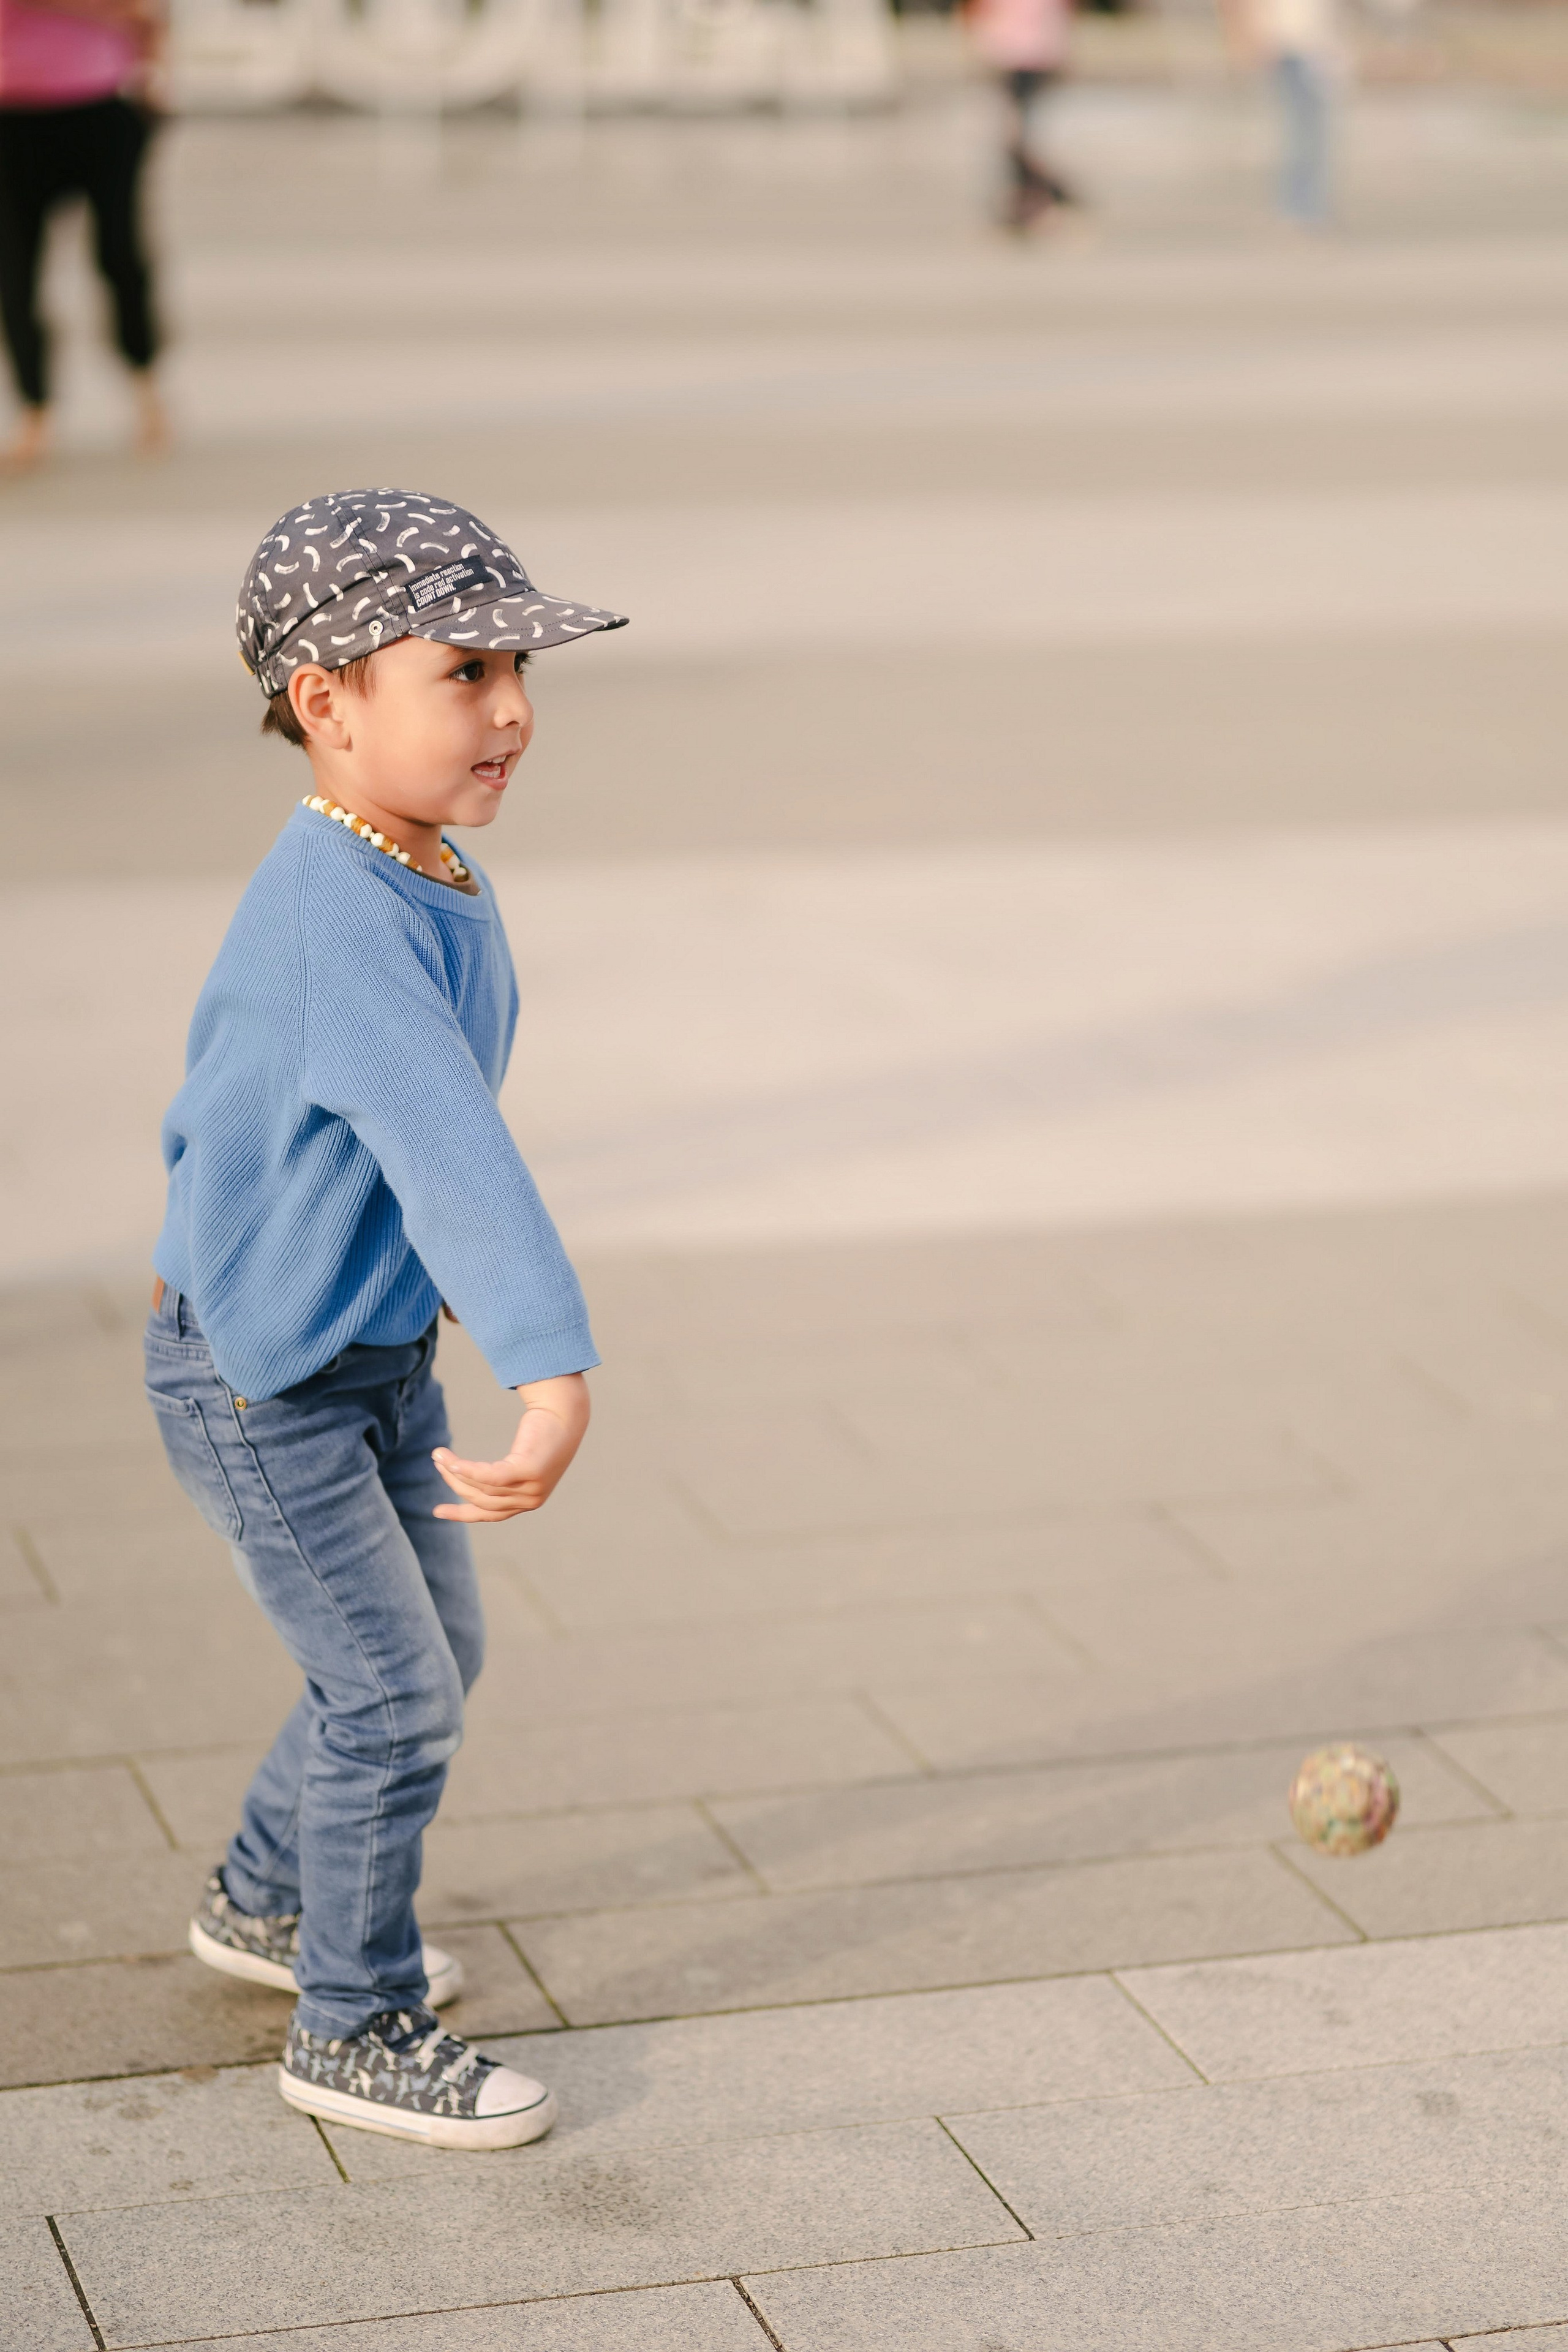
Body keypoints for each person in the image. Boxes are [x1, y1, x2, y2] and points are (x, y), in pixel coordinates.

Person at [147, 488, 627, 2150]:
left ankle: (269, 1898)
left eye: (517, 669)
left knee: (431, 1656)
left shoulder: (407, 859)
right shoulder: (342, 913)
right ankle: (351, 2025)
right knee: (394, 1694)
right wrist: (550, 1366)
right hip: (263, 1382)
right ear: (327, 703)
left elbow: (232, 1113)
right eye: (466, 670)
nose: (512, 709)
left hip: (357, 1354)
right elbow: (448, 1150)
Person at [0, 0, 167, 470]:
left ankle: (147, 389)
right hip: (15, 116)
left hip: (100, 106)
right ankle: (35, 411)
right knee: (17, 272)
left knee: (120, 255)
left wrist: (155, 73)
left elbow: (150, 18)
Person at [1223, 0, 1343, 227]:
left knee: (1310, 133)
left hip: (1310, 49)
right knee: (1305, 134)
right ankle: (1301, 208)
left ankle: (1304, 206)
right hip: (1291, 48)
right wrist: (1249, 39)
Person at [965, 0, 1077, 233]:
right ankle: (1029, 204)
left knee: (1020, 140)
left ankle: (1048, 201)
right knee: (1016, 139)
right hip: (1014, 57)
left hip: (1032, 59)